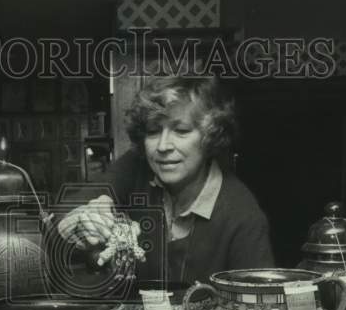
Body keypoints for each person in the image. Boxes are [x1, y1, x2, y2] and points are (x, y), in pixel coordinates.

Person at [57, 73, 274, 286]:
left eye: (181, 131)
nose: (163, 146)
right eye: (153, 131)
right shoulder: (136, 166)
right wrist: (84, 217)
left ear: (210, 137)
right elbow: (60, 212)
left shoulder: (243, 216)